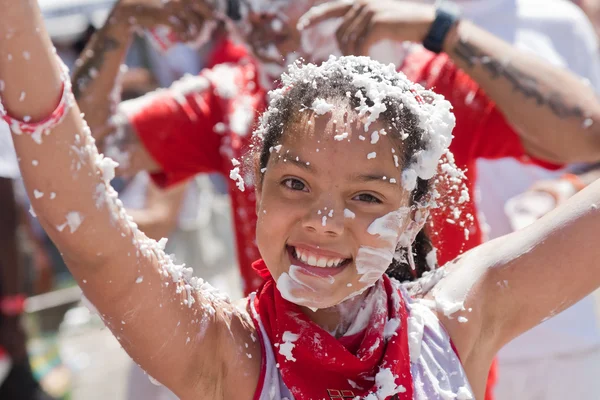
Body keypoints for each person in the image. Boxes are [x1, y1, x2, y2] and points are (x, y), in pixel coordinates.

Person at [5, 2, 600, 399]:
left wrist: (441, 27)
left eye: (369, 195)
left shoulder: (454, 323)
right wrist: (112, 23)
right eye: (295, 182)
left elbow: (587, 128)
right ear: (251, 183)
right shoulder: (225, 353)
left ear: (414, 215)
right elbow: (77, 186)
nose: (325, 222)